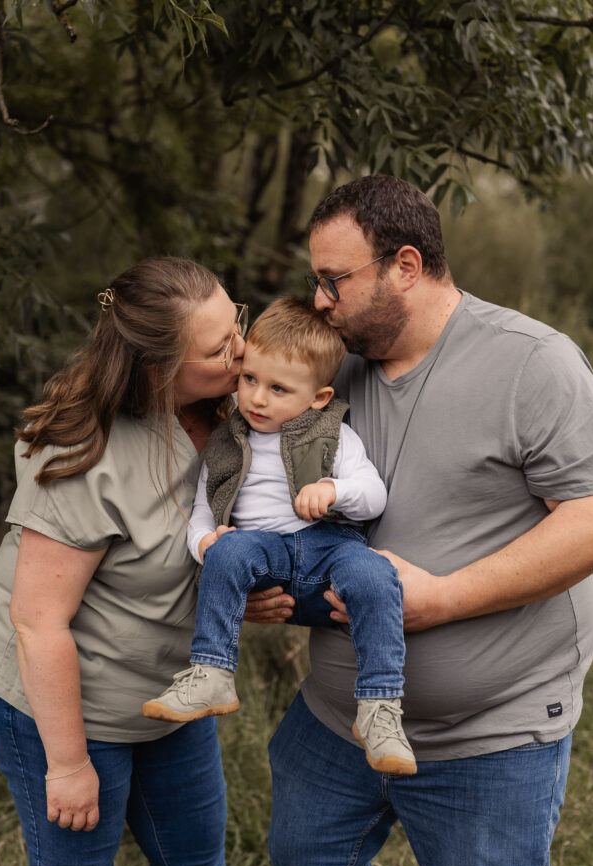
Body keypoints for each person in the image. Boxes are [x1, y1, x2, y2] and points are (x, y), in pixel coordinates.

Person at [250, 176, 593, 866]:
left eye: (335, 280)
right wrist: (278, 585)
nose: (318, 298)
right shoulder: (335, 369)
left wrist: (441, 599)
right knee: (308, 865)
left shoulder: (531, 362)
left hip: (487, 730)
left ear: (404, 265)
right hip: (337, 719)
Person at [0, 257, 246, 866]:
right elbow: (37, 620)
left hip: (166, 688)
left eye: (238, 326)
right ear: (159, 368)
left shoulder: (234, 415)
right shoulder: (82, 451)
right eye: (221, 347)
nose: (242, 353)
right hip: (59, 694)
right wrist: (67, 764)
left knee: (192, 856)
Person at [142, 296, 415, 774]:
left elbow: (374, 495)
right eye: (250, 380)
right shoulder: (228, 441)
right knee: (227, 549)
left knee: (377, 574)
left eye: (278, 388)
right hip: (262, 553)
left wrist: (334, 489)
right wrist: (203, 543)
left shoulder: (334, 436)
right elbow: (204, 511)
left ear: (318, 398)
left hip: (329, 548)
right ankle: (212, 672)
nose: (257, 398)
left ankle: (380, 708)